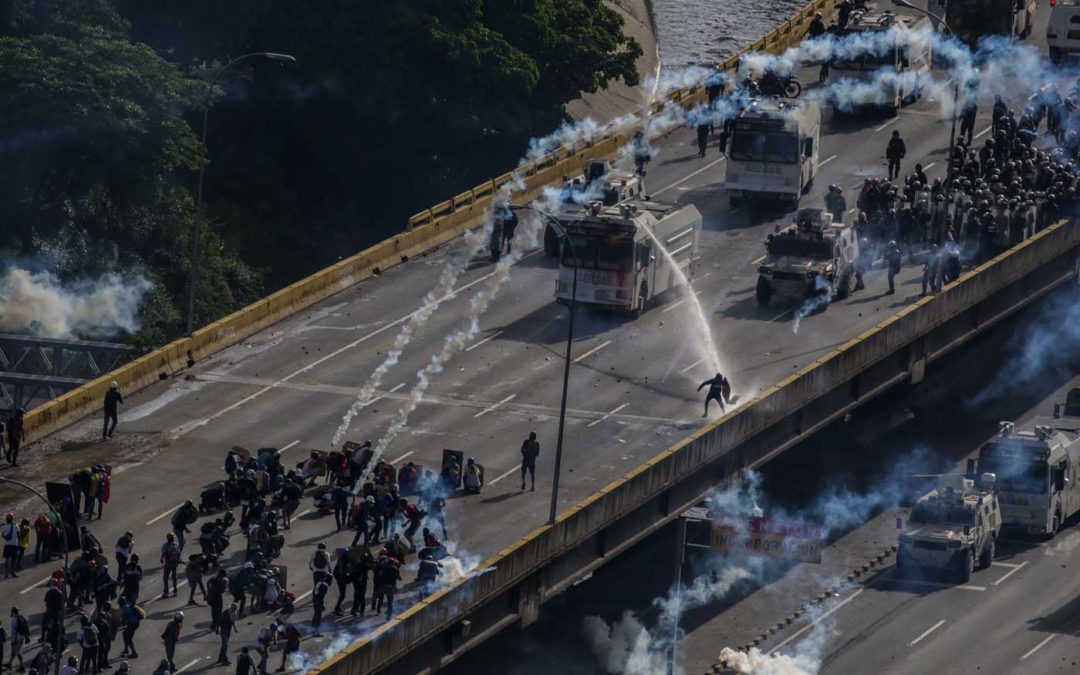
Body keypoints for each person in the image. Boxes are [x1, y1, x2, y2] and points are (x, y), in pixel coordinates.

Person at [159, 534, 181, 598]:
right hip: (175, 563)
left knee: (165, 578)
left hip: (168, 563)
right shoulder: (176, 544)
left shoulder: (165, 545)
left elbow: (163, 553)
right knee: (174, 577)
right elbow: (179, 553)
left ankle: (166, 592)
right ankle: (175, 591)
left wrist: (162, 559)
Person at [217, 601, 238, 665]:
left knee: (224, 645)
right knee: (225, 645)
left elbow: (232, 621)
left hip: (228, 630)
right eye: (234, 608)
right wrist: (217, 629)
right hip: (223, 630)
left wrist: (235, 628)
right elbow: (220, 620)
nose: (234, 610)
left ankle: (220, 658)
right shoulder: (226, 612)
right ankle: (224, 659)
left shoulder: (233, 613)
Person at [9, 606, 29, 671]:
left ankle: (22, 666)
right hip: (21, 637)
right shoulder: (21, 617)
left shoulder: (14, 619)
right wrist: (27, 637)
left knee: (17, 652)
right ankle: (10, 663)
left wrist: (13, 641)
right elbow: (26, 627)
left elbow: (13, 631)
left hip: (17, 638)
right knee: (14, 651)